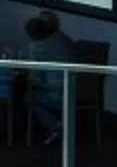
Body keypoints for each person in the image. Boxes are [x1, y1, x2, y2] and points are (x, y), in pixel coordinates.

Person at [23, 9, 80, 141]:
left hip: (56, 94)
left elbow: (34, 76)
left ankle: (55, 126)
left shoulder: (39, 46)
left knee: (28, 98)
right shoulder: (67, 41)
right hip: (76, 90)